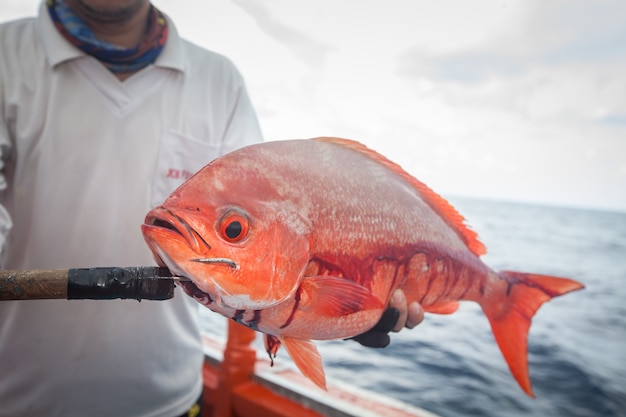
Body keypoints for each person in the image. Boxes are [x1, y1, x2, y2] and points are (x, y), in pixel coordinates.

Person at [0, 1, 423, 416]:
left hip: (169, 399)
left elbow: (272, 216)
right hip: (18, 397)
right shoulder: (7, 54)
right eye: (232, 228)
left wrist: (331, 310)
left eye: (232, 227)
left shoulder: (219, 80)